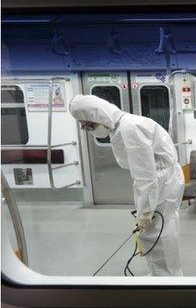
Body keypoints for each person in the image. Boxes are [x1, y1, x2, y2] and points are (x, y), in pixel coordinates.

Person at [69, 94, 184, 276]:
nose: (88, 130)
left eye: (89, 125)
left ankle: (166, 278)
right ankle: (162, 274)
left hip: (161, 182)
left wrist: (145, 212)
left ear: (99, 116)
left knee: (156, 232)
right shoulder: (122, 126)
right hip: (162, 180)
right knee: (161, 229)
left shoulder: (130, 129)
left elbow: (146, 177)